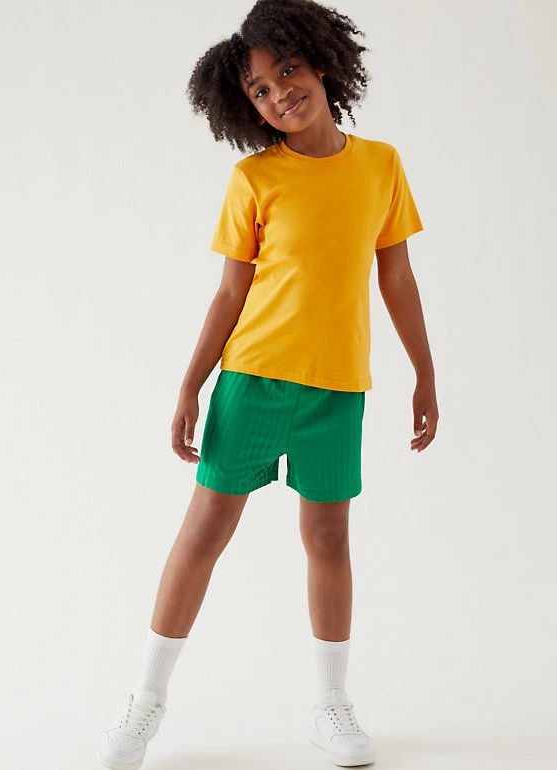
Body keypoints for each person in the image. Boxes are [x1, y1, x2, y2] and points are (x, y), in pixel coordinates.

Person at [99, 0, 439, 767]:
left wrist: (425, 372)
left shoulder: (381, 165)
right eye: (259, 89)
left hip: (337, 391)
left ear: (321, 61)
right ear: (246, 107)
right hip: (250, 382)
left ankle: (331, 705)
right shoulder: (253, 178)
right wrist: (191, 386)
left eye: (287, 70)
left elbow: (397, 277)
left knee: (329, 538)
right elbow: (230, 292)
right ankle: (145, 701)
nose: (280, 92)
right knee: (205, 531)